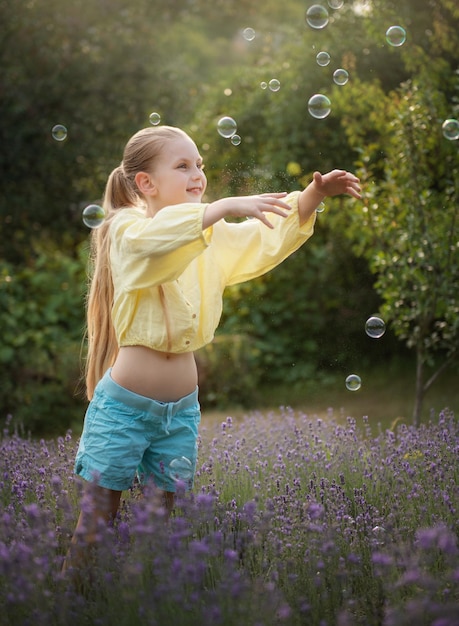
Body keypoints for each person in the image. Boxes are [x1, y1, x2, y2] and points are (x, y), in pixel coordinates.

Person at [63, 125, 361, 571]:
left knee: (160, 527)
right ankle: (69, 607)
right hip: (123, 410)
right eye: (182, 166)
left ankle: (140, 605)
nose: (198, 173)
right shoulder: (126, 229)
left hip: (180, 413)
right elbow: (154, 242)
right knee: (97, 522)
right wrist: (220, 207)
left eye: (199, 164)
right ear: (146, 183)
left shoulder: (209, 233)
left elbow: (256, 240)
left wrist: (311, 198)